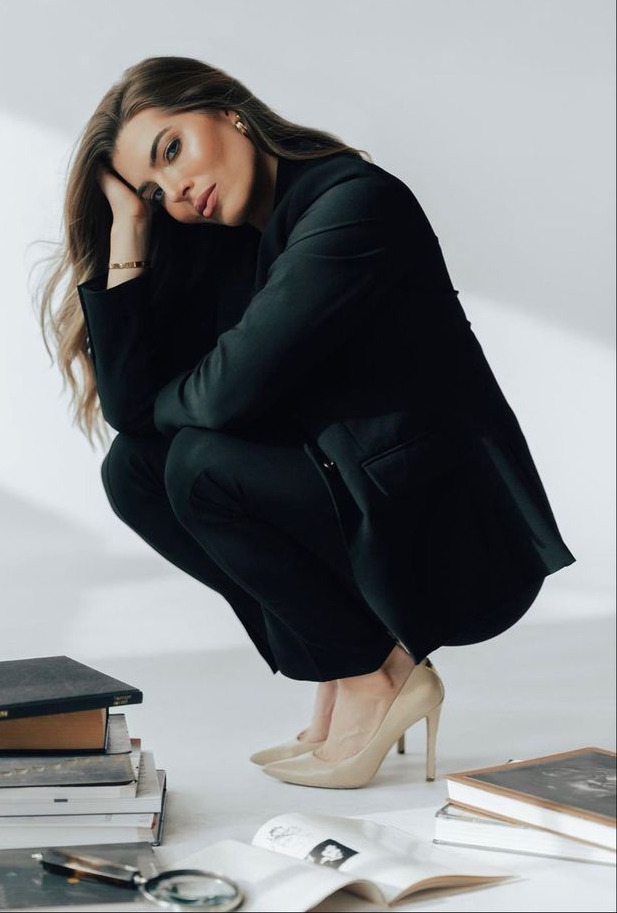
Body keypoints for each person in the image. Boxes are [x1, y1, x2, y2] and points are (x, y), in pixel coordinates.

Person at [35, 56, 575, 789]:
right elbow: (134, 416)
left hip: (447, 523)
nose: (178, 192)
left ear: (227, 111)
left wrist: (186, 397)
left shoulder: (354, 204)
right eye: (156, 191)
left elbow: (225, 396)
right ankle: (359, 661)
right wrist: (128, 226)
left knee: (197, 464)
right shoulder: (235, 241)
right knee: (135, 471)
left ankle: (366, 671)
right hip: (361, 492)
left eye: (172, 151)